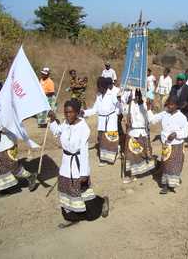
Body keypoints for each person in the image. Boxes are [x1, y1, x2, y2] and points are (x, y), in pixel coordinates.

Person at [48, 99, 109, 228]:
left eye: (70, 112)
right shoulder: (65, 124)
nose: (68, 115)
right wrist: (53, 120)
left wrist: (84, 173)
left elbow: (84, 153)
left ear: (76, 112)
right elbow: (57, 132)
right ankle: (71, 217)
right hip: (65, 165)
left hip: (78, 166)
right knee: (67, 191)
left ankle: (102, 201)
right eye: (65, 112)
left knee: (88, 204)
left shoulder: (83, 127)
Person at [0, 79, 37, 199]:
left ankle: (30, 176)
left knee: (10, 164)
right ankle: (4, 189)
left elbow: (9, 124)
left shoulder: (6, 106)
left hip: (6, 140)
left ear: (0, 93)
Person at [147, 95, 188, 194]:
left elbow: (186, 132)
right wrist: (149, 109)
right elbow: (152, 120)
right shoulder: (164, 114)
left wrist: (176, 134)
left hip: (177, 145)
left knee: (175, 166)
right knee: (166, 164)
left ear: (176, 106)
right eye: (168, 104)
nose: (169, 106)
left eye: (171, 105)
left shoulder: (181, 117)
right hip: (166, 145)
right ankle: (165, 185)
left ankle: (172, 184)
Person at [83, 77, 121, 166]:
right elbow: (94, 109)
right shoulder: (99, 96)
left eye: (99, 86)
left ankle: (110, 158)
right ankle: (105, 158)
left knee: (111, 139)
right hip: (102, 120)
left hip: (111, 119)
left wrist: (117, 113)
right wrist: (84, 113)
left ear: (103, 86)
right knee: (102, 139)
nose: (97, 88)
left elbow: (119, 107)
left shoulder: (112, 95)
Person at [121, 89, 155, 184]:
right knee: (131, 155)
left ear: (141, 96)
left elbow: (150, 119)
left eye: (138, 95)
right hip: (132, 133)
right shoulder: (131, 104)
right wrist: (124, 104)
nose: (136, 97)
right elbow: (123, 111)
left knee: (144, 154)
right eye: (135, 95)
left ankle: (148, 169)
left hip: (142, 133)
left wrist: (148, 108)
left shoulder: (145, 105)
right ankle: (133, 175)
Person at [169, 73, 188, 147]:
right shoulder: (173, 88)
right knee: (175, 126)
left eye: (181, 80)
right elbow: (171, 97)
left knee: (184, 127)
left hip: (185, 112)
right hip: (175, 110)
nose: (179, 81)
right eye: (178, 79)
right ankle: (176, 141)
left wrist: (185, 105)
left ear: (184, 81)